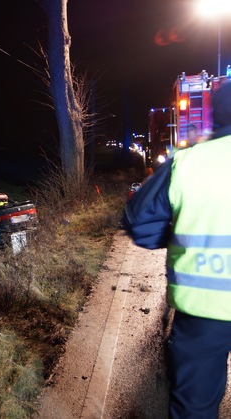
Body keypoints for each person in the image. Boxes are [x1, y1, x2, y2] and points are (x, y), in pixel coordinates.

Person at [123, 80, 231, 418]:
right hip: (203, 309)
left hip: (204, 309)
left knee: (194, 408)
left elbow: (139, 222)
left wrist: (176, 234)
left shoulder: (190, 162)